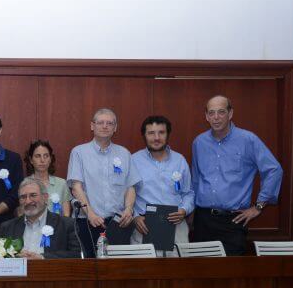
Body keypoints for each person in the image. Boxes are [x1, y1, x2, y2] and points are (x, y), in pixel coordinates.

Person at [191, 95, 283, 255]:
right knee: (201, 268)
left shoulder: (248, 140)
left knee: (232, 269)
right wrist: (191, 215)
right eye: (211, 113)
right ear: (206, 116)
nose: (216, 117)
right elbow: (196, 180)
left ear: (230, 113)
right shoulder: (199, 142)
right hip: (202, 220)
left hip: (233, 221)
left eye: (221, 112)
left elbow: (274, 170)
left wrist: (259, 206)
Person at [67, 108, 141, 258]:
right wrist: (90, 214)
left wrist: (129, 209)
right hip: (88, 222)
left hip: (118, 223)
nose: (105, 126)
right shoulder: (79, 152)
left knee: (118, 267)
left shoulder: (124, 153)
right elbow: (76, 188)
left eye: (110, 123)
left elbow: (131, 186)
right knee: (89, 267)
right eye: (100, 122)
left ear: (115, 128)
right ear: (92, 126)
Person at [131, 116, 195, 256]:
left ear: (167, 134)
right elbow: (126, 194)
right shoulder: (133, 160)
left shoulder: (180, 160)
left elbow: (188, 193)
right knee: (144, 269)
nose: (156, 138)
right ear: (144, 135)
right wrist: (134, 217)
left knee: (178, 268)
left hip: (176, 225)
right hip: (144, 226)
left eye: (161, 132)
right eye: (151, 133)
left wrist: (184, 210)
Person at [0, 177, 81, 259]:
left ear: (45, 197)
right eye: (23, 197)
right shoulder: (7, 227)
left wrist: (42, 258)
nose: (28, 201)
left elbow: (77, 255)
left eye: (33, 195)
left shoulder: (66, 225)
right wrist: (15, 256)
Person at [23, 139, 71, 217]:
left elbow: (66, 215)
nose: (42, 160)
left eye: (46, 156)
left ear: (50, 159)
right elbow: (23, 214)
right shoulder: (24, 184)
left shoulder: (62, 183)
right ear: (31, 160)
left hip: (57, 224)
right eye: (38, 156)